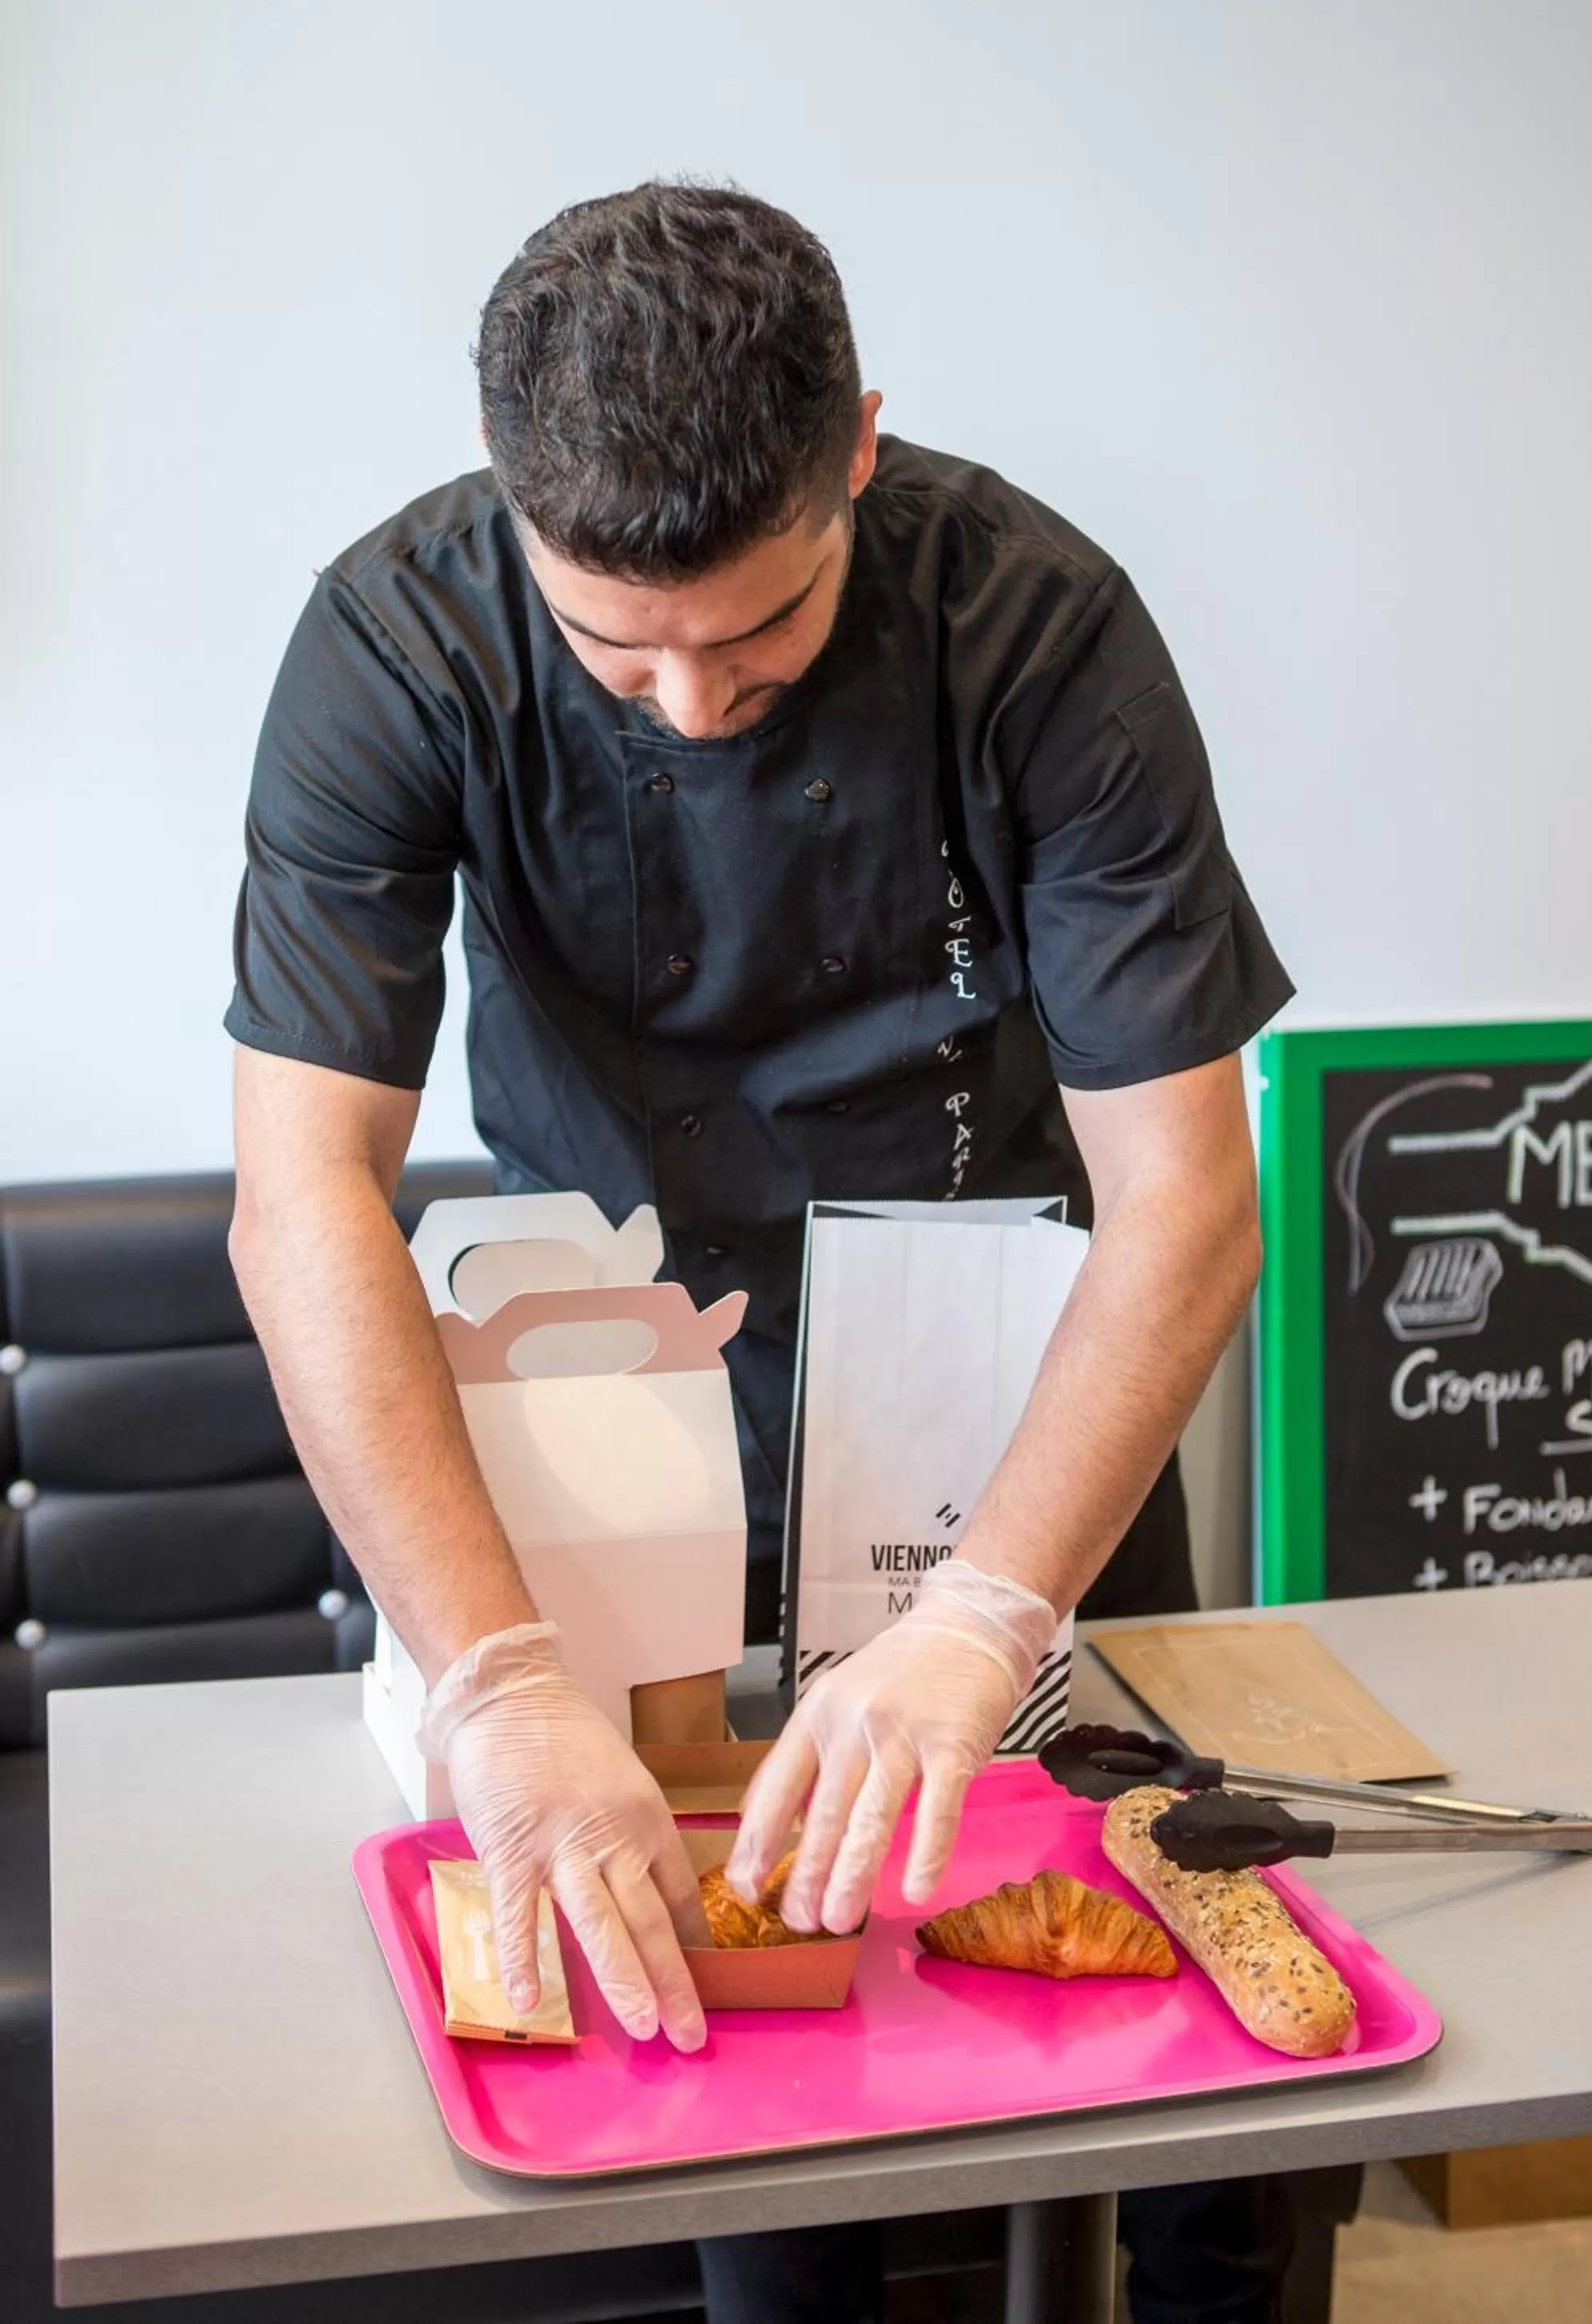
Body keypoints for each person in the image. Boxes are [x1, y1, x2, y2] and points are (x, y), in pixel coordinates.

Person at [226, 180, 1295, 2322]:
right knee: (744, 2054)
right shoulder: (398, 638)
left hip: (1010, 1371)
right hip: (622, 1390)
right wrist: (496, 1677)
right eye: (621, 649)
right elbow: (301, 1192)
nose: (695, 702)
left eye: (763, 631)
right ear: (521, 522)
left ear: (859, 457)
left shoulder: (1040, 628)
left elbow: (1184, 1195)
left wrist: (994, 1609)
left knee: (1190, 2074)